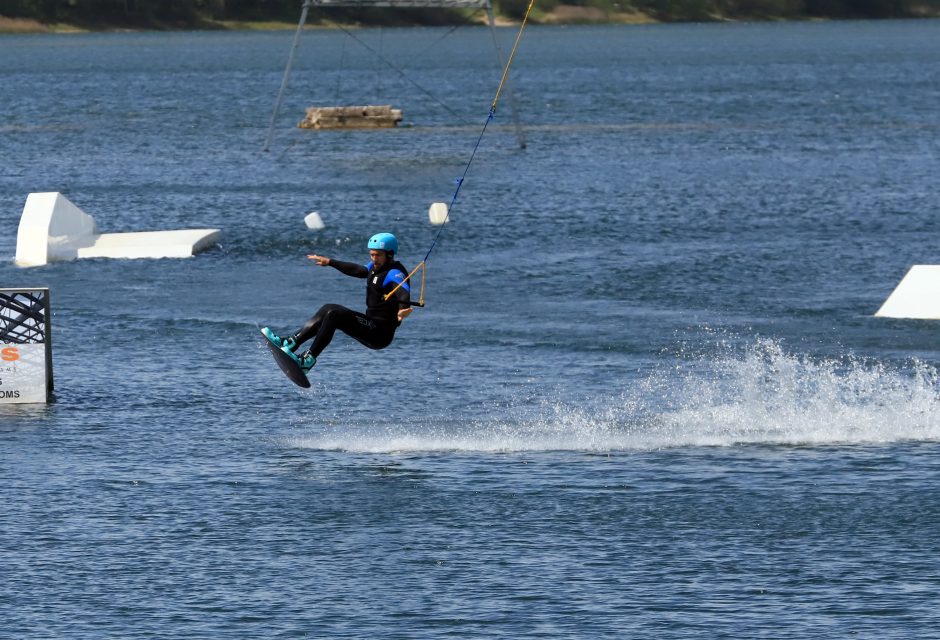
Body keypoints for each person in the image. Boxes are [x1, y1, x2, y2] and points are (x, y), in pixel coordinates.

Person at [261, 232, 413, 374]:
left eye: (378, 255)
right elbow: (358, 270)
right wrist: (330, 262)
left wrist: (403, 308)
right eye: (371, 255)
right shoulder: (376, 267)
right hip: (371, 324)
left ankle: (307, 360)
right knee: (328, 308)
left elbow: (403, 292)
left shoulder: (395, 272)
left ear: (390, 254)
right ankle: (291, 343)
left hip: (380, 332)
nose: (373, 259)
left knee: (335, 314)